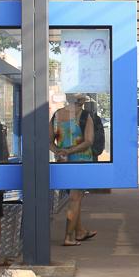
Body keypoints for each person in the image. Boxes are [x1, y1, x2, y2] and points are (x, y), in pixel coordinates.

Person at [50, 93, 96, 246]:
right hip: (81, 161)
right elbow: (89, 141)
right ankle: (69, 237)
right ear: (81, 100)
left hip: (63, 161)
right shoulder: (85, 116)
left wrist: (59, 151)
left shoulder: (57, 115)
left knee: (75, 197)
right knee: (75, 199)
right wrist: (70, 151)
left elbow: (49, 140)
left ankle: (80, 231)